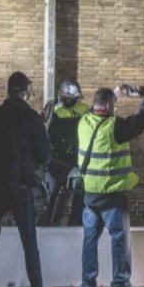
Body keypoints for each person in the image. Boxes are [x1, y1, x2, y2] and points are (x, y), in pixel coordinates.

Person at [0, 72, 64, 287]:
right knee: (29, 243)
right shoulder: (30, 117)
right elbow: (45, 154)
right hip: (20, 187)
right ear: (26, 91)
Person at [77, 86, 144, 287]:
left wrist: (114, 94)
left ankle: (88, 284)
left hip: (90, 196)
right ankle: (120, 283)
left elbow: (93, 109)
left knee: (89, 241)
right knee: (120, 240)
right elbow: (141, 120)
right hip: (112, 197)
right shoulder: (115, 127)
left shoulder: (83, 122)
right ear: (110, 105)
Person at [45, 79, 89, 226]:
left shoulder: (85, 111)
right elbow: (49, 133)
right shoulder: (55, 111)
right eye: (66, 98)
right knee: (57, 189)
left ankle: (75, 219)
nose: (68, 101)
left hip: (78, 156)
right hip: (59, 158)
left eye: (71, 99)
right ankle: (50, 218)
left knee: (79, 189)